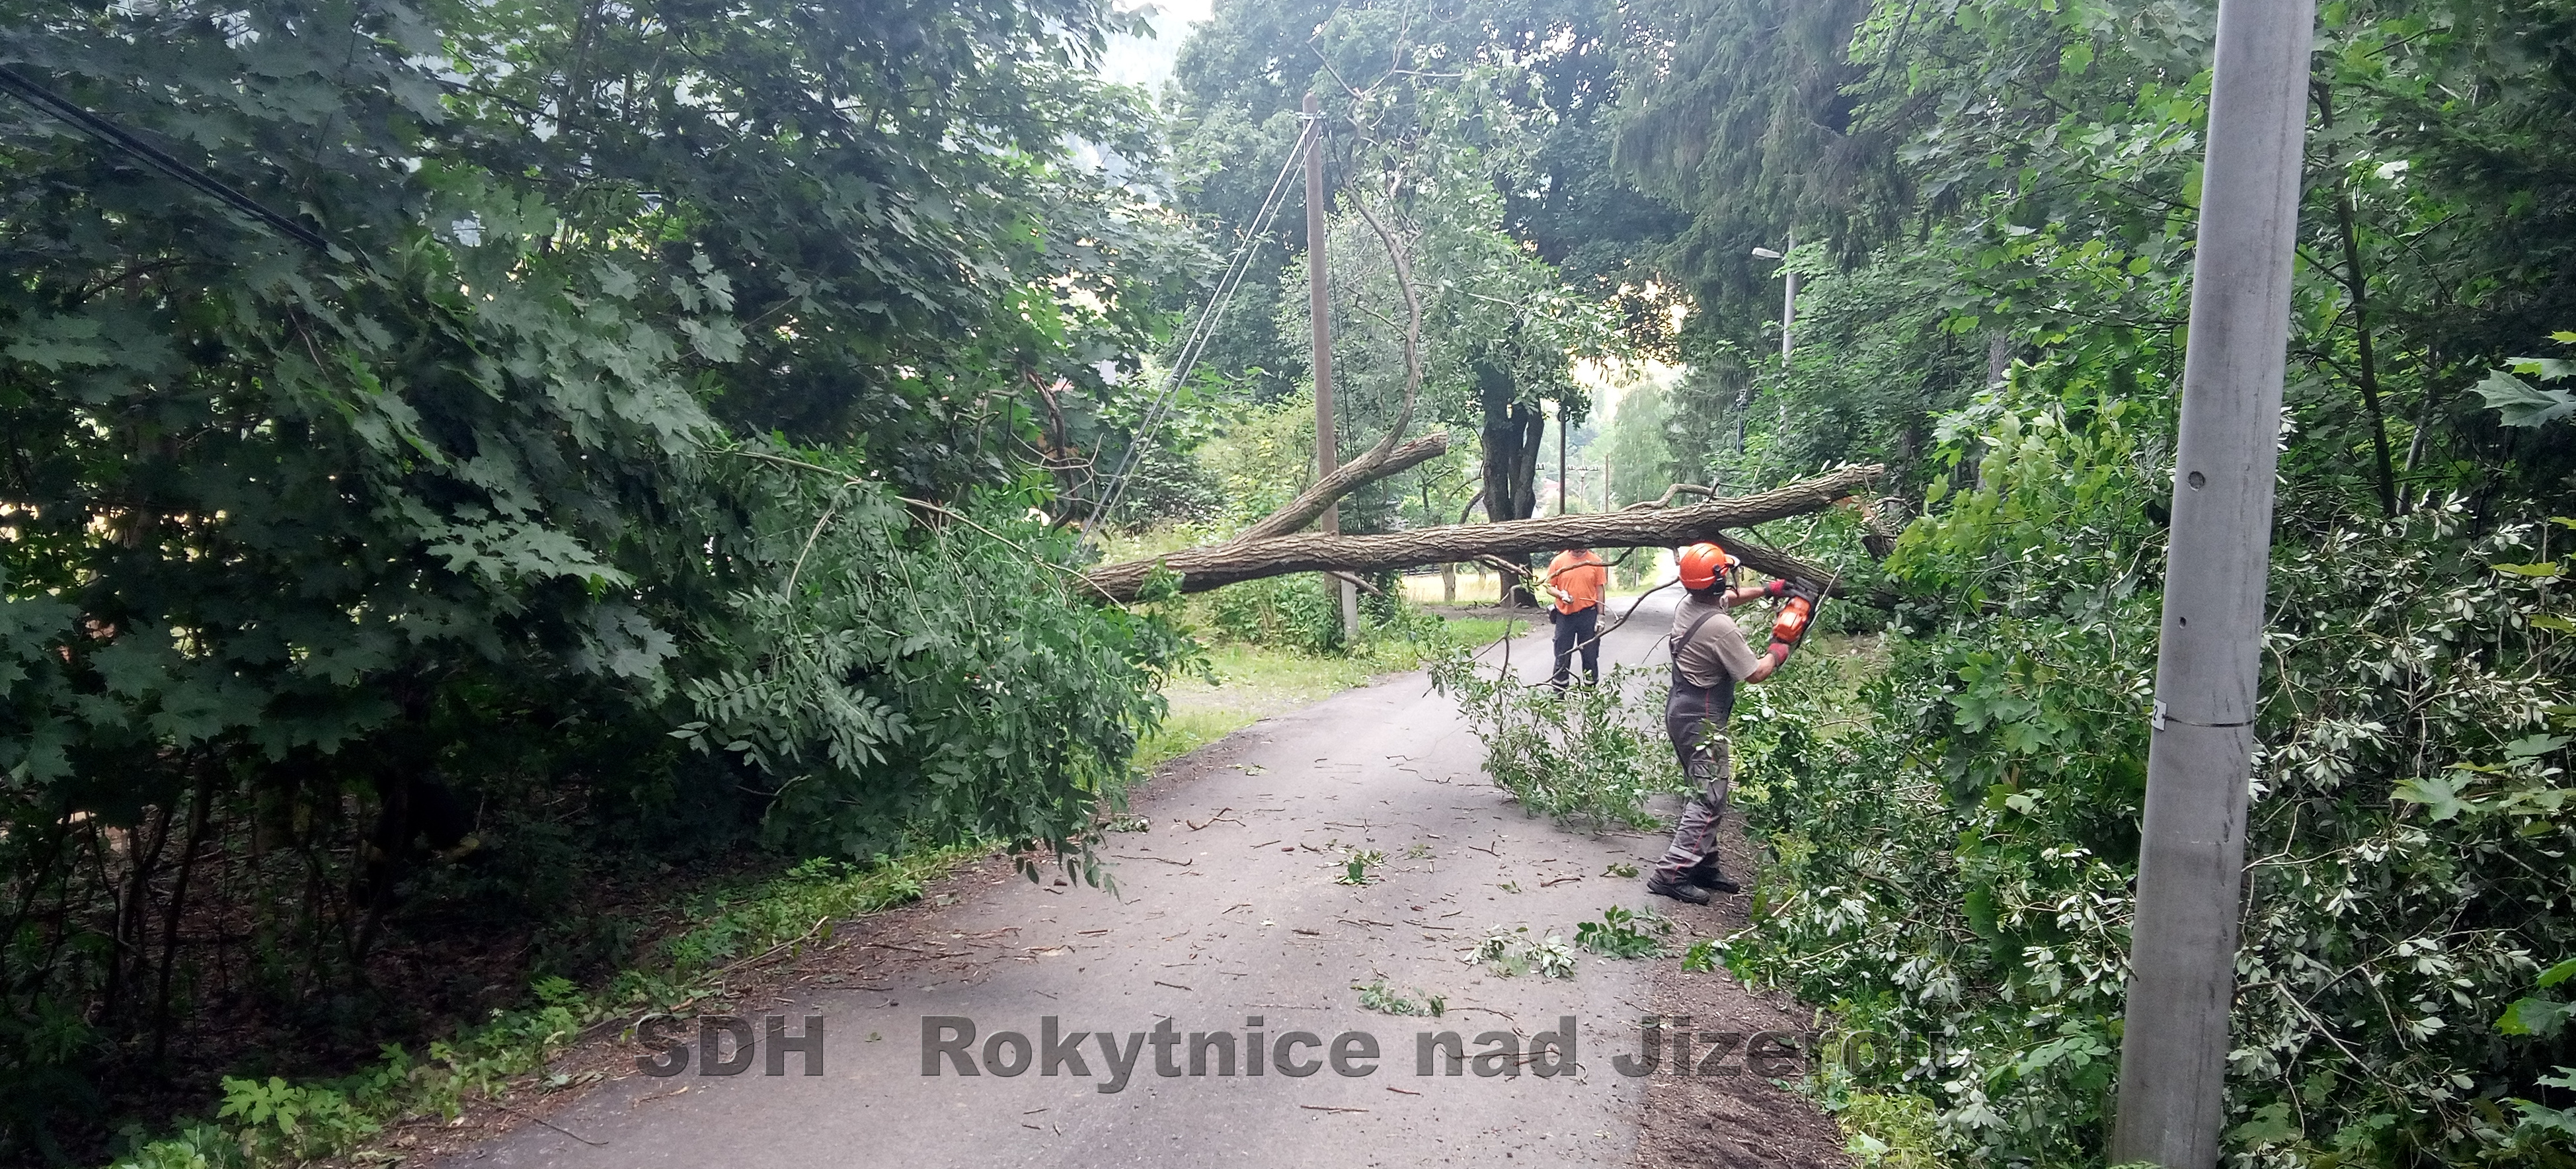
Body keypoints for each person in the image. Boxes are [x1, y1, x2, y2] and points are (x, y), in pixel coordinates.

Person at [1645, 541, 1812, 905]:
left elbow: (1728, 599)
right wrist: (1782, 644)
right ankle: (1671, 873)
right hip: (1701, 716)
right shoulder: (1721, 629)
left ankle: (1703, 865)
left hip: (1682, 708)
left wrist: (1770, 589)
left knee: (1703, 788)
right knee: (1709, 797)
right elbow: (1756, 673)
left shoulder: (1691, 605)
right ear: (1718, 581)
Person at [1543, 546, 1609, 690]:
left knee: (1590, 655)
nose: (1579, 553)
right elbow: (1549, 586)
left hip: (1588, 614)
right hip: (1565, 616)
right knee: (1562, 655)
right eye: (1576, 550)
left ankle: (1590, 691)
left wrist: (1601, 616)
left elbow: (1599, 590)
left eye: (1582, 550)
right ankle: (1559, 692)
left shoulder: (1595, 561)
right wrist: (1561, 595)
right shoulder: (1559, 561)